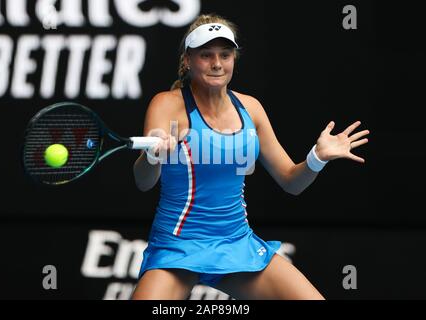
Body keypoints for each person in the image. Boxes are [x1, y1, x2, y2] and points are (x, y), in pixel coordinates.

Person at [131, 14, 369, 300]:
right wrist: (153, 157)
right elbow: (143, 182)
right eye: (206, 55)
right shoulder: (167, 105)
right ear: (187, 61)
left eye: (225, 54)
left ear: (234, 59)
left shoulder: (251, 108)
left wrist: (317, 158)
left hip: (236, 244)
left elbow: (291, 182)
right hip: (177, 247)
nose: (217, 63)